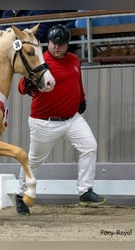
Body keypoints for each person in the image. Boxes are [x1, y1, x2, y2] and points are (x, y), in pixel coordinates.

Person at [15, 24, 107, 215]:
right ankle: (20, 195)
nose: (56, 47)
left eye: (61, 43)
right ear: (48, 42)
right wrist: (28, 83)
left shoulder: (74, 60)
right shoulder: (40, 59)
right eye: (53, 43)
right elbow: (21, 89)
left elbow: (77, 82)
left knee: (89, 146)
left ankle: (85, 192)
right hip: (44, 121)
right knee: (34, 161)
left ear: (67, 44)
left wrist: (81, 98)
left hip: (72, 119)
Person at [1, 10, 76, 43]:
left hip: (32, 50)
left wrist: (14, 38)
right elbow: (2, 33)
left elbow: (36, 35)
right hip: (14, 47)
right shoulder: (7, 12)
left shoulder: (37, 10)